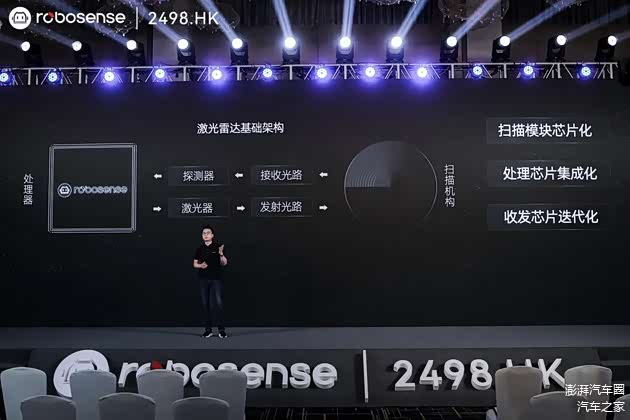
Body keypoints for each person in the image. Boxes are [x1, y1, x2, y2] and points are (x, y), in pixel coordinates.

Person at [193, 226, 228, 338]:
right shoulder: (199, 249)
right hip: (203, 279)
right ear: (202, 235)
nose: (206, 234)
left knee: (219, 303)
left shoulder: (218, 247)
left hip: (216, 279)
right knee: (205, 305)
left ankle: (221, 330)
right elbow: (195, 264)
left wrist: (221, 254)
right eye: (204, 233)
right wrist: (200, 266)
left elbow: (224, 263)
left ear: (212, 235)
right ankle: (208, 330)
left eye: (208, 233)